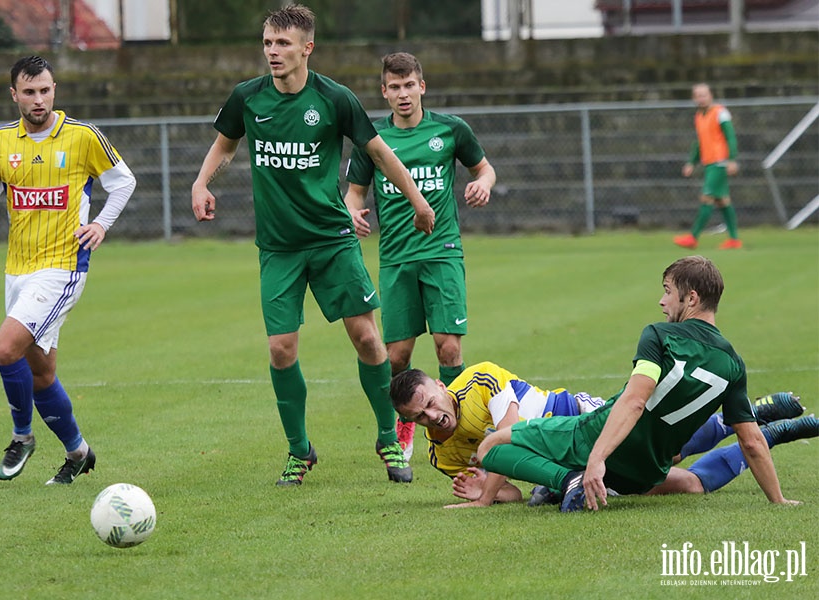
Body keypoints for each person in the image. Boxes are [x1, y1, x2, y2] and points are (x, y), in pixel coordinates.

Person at [190, 5, 435, 486]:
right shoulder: (247, 97)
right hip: (279, 248)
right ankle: (299, 450)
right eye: (267, 43)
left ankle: (389, 436)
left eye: (282, 44)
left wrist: (417, 200)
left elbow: (379, 152)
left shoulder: (334, 98)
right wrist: (201, 183)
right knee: (281, 349)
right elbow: (225, 144)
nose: (272, 52)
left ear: (307, 48)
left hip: (332, 240)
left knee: (367, 338)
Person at [464, 256, 800, 510]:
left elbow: (635, 401)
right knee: (692, 484)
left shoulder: (660, 336)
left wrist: (596, 458)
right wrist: (779, 501)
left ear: (692, 299)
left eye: (668, 292)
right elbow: (752, 442)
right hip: (644, 472)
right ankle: (568, 481)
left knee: (491, 447)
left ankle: (568, 480)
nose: (662, 301)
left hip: (593, 436)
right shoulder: (732, 364)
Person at [0, 55, 136, 485]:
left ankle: (21, 437)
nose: (38, 99)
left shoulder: (81, 137)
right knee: (41, 374)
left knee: (6, 348)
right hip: (17, 269)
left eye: (45, 90)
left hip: (63, 267)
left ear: (54, 89)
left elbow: (124, 182)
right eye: (29, 92)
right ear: (14, 95)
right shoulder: (0, 142)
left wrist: (100, 223)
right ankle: (78, 451)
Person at [344, 52, 496, 461]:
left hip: (442, 252)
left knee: (449, 348)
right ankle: (406, 427)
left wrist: (483, 184)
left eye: (409, 85)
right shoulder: (373, 139)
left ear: (422, 87)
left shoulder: (450, 130)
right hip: (395, 258)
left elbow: (484, 168)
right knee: (398, 356)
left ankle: (461, 428)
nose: (403, 94)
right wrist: (353, 210)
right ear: (384, 92)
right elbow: (355, 191)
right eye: (394, 87)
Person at [390, 362, 812, 506]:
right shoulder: (440, 457)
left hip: (576, 418)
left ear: (441, 387)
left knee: (672, 451)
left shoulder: (477, 380)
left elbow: (510, 433)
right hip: (562, 467)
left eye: (430, 403)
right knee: (688, 486)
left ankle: (750, 416)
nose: (433, 417)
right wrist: (486, 491)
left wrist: (485, 491)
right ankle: (774, 434)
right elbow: (513, 494)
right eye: (420, 417)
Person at [674, 83, 741, 250]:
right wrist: (691, 162)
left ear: (711, 95)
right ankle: (734, 239)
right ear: (694, 98)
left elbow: (730, 137)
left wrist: (732, 159)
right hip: (709, 162)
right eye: (698, 95)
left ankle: (693, 237)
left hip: (719, 162)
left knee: (707, 197)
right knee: (723, 201)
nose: (701, 98)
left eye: (704, 95)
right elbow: (699, 142)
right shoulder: (699, 116)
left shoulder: (721, 113)